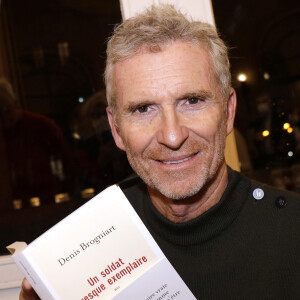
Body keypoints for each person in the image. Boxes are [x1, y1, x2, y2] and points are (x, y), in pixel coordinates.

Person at [19, 4, 300, 299]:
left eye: (192, 100)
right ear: (116, 130)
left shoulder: (292, 234)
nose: (172, 135)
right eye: (143, 109)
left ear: (228, 112)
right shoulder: (86, 251)